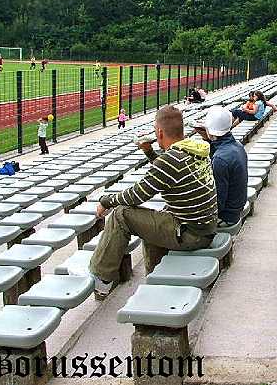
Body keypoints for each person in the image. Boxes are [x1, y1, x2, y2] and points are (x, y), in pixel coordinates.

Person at [87, 105, 218, 298]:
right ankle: (156, 278)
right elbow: (169, 173)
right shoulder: (194, 150)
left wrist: (106, 201)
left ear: (159, 132)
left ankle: (101, 278)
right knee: (150, 223)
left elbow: (137, 195)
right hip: (204, 228)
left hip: (191, 235)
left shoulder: (172, 160)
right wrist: (149, 152)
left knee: (121, 214)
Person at [197, 106, 248, 228]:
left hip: (227, 216)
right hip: (235, 209)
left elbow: (218, 200)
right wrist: (208, 138)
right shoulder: (237, 146)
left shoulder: (220, 159)